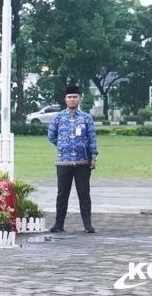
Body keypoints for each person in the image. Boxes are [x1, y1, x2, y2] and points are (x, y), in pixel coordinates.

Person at [47, 85, 98, 234]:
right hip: (64, 161)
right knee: (62, 193)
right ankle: (58, 224)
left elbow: (92, 138)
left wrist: (93, 155)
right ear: (65, 99)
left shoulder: (86, 118)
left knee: (84, 194)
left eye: (75, 97)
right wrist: (63, 145)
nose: (72, 99)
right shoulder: (58, 117)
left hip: (82, 161)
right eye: (69, 97)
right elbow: (51, 136)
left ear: (79, 98)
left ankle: (88, 224)